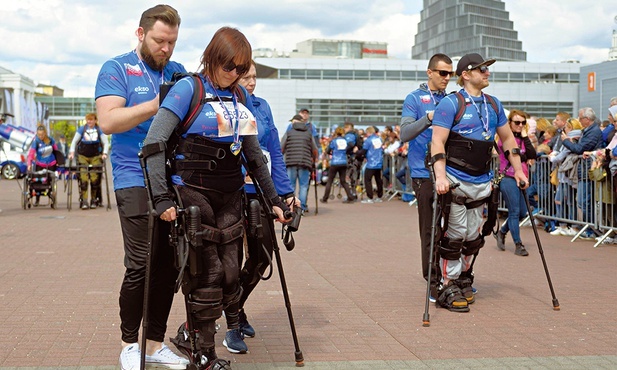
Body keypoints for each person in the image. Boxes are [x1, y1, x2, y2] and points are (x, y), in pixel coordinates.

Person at [142, 27, 291, 368]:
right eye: (229, 66)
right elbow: (153, 143)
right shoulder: (188, 89)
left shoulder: (238, 97)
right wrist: (162, 199)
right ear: (213, 58)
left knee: (228, 276)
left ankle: (189, 334)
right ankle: (204, 354)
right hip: (193, 194)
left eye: (241, 68)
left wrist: (276, 201)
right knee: (206, 276)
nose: (234, 73)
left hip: (231, 198)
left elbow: (254, 156)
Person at [94, 5, 189, 370]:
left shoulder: (178, 72)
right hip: (133, 175)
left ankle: (153, 344)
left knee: (168, 265)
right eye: (159, 40)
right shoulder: (116, 68)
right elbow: (108, 120)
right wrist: (157, 105)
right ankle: (128, 344)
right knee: (141, 264)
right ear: (140, 33)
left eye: (172, 42)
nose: (166, 48)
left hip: (171, 178)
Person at [431, 53, 528, 313]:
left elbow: (508, 140)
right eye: (482, 69)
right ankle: (446, 283)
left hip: (482, 180)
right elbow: (437, 142)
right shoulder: (451, 104)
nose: (487, 73)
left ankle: (464, 275)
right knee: (454, 235)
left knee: (474, 236)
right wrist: (440, 176)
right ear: (466, 74)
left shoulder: (494, 105)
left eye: (487, 69)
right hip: (454, 180)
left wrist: (518, 171)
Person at [233, 60, 299, 346]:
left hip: (262, 193)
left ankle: (235, 306)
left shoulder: (262, 107)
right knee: (229, 264)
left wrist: (284, 193)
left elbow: (274, 150)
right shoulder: (225, 106)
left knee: (262, 257)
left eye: (254, 77)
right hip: (233, 194)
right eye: (246, 77)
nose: (251, 82)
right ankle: (232, 321)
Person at [400, 53, 453, 301]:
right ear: (429, 72)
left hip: (450, 172)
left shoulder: (453, 100)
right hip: (424, 174)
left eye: (450, 73)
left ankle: (453, 277)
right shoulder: (414, 98)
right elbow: (405, 133)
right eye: (443, 72)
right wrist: (429, 118)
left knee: (453, 229)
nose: (447, 78)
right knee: (430, 230)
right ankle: (432, 280)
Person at [494, 110, 536, 256]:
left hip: (522, 177)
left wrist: (525, 136)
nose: (520, 125)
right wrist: (524, 155)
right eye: (517, 122)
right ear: (510, 123)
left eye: (523, 123)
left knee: (522, 213)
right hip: (508, 177)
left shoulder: (523, 138)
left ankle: (502, 231)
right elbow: (515, 154)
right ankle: (518, 244)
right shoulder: (504, 138)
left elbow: (531, 154)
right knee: (514, 211)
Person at [561, 107, 603, 239]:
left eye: (580, 118)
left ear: (587, 119)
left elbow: (580, 149)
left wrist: (566, 141)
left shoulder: (593, 132)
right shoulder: (588, 131)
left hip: (588, 171)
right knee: (582, 202)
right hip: (583, 170)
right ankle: (589, 228)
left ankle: (591, 229)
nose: (579, 120)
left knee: (584, 202)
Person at [68, 113, 109, 209]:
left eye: (91, 120)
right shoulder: (82, 129)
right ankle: (84, 200)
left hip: (95, 157)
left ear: (95, 120)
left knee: (95, 179)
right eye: (88, 120)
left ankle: (94, 200)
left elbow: (106, 142)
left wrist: (105, 153)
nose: (89, 122)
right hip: (83, 156)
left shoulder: (99, 130)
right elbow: (74, 141)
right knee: (83, 179)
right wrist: (72, 152)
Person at [281, 114, 319, 214]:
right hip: (305, 162)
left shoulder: (289, 132)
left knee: (291, 186)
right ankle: (301, 208)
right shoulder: (308, 133)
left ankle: (291, 207)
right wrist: (314, 160)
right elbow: (314, 149)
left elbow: (281, 147)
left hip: (290, 162)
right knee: (303, 186)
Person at [320, 127, 356, 203]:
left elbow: (328, 150)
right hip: (343, 162)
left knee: (330, 180)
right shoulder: (345, 141)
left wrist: (331, 152)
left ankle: (325, 198)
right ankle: (350, 197)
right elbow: (349, 147)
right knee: (343, 181)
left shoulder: (334, 141)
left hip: (335, 162)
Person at [27, 125, 59, 206]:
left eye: (42, 134)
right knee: (38, 181)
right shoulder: (36, 141)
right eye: (39, 135)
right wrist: (29, 164)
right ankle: (37, 199)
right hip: (40, 164)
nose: (41, 136)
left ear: (45, 133)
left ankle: (51, 196)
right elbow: (31, 153)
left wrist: (58, 161)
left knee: (49, 181)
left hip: (51, 163)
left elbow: (56, 151)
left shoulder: (51, 140)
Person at [359, 126, 384, 203]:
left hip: (371, 163)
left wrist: (358, 154)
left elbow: (364, 150)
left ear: (368, 132)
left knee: (367, 179)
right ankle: (380, 196)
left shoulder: (368, 140)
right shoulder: (379, 139)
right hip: (379, 162)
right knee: (378, 179)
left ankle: (370, 197)